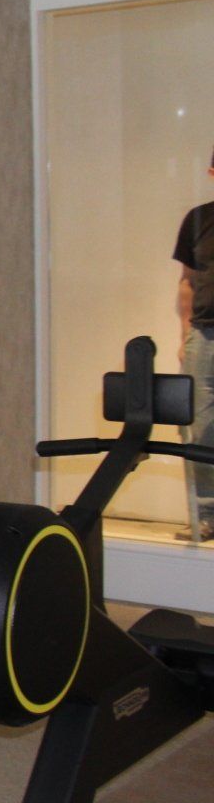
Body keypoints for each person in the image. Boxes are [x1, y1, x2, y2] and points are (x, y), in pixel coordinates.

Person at [173, 145, 214, 541]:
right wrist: (185, 334)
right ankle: (207, 517)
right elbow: (186, 281)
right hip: (204, 335)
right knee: (198, 429)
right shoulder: (198, 219)